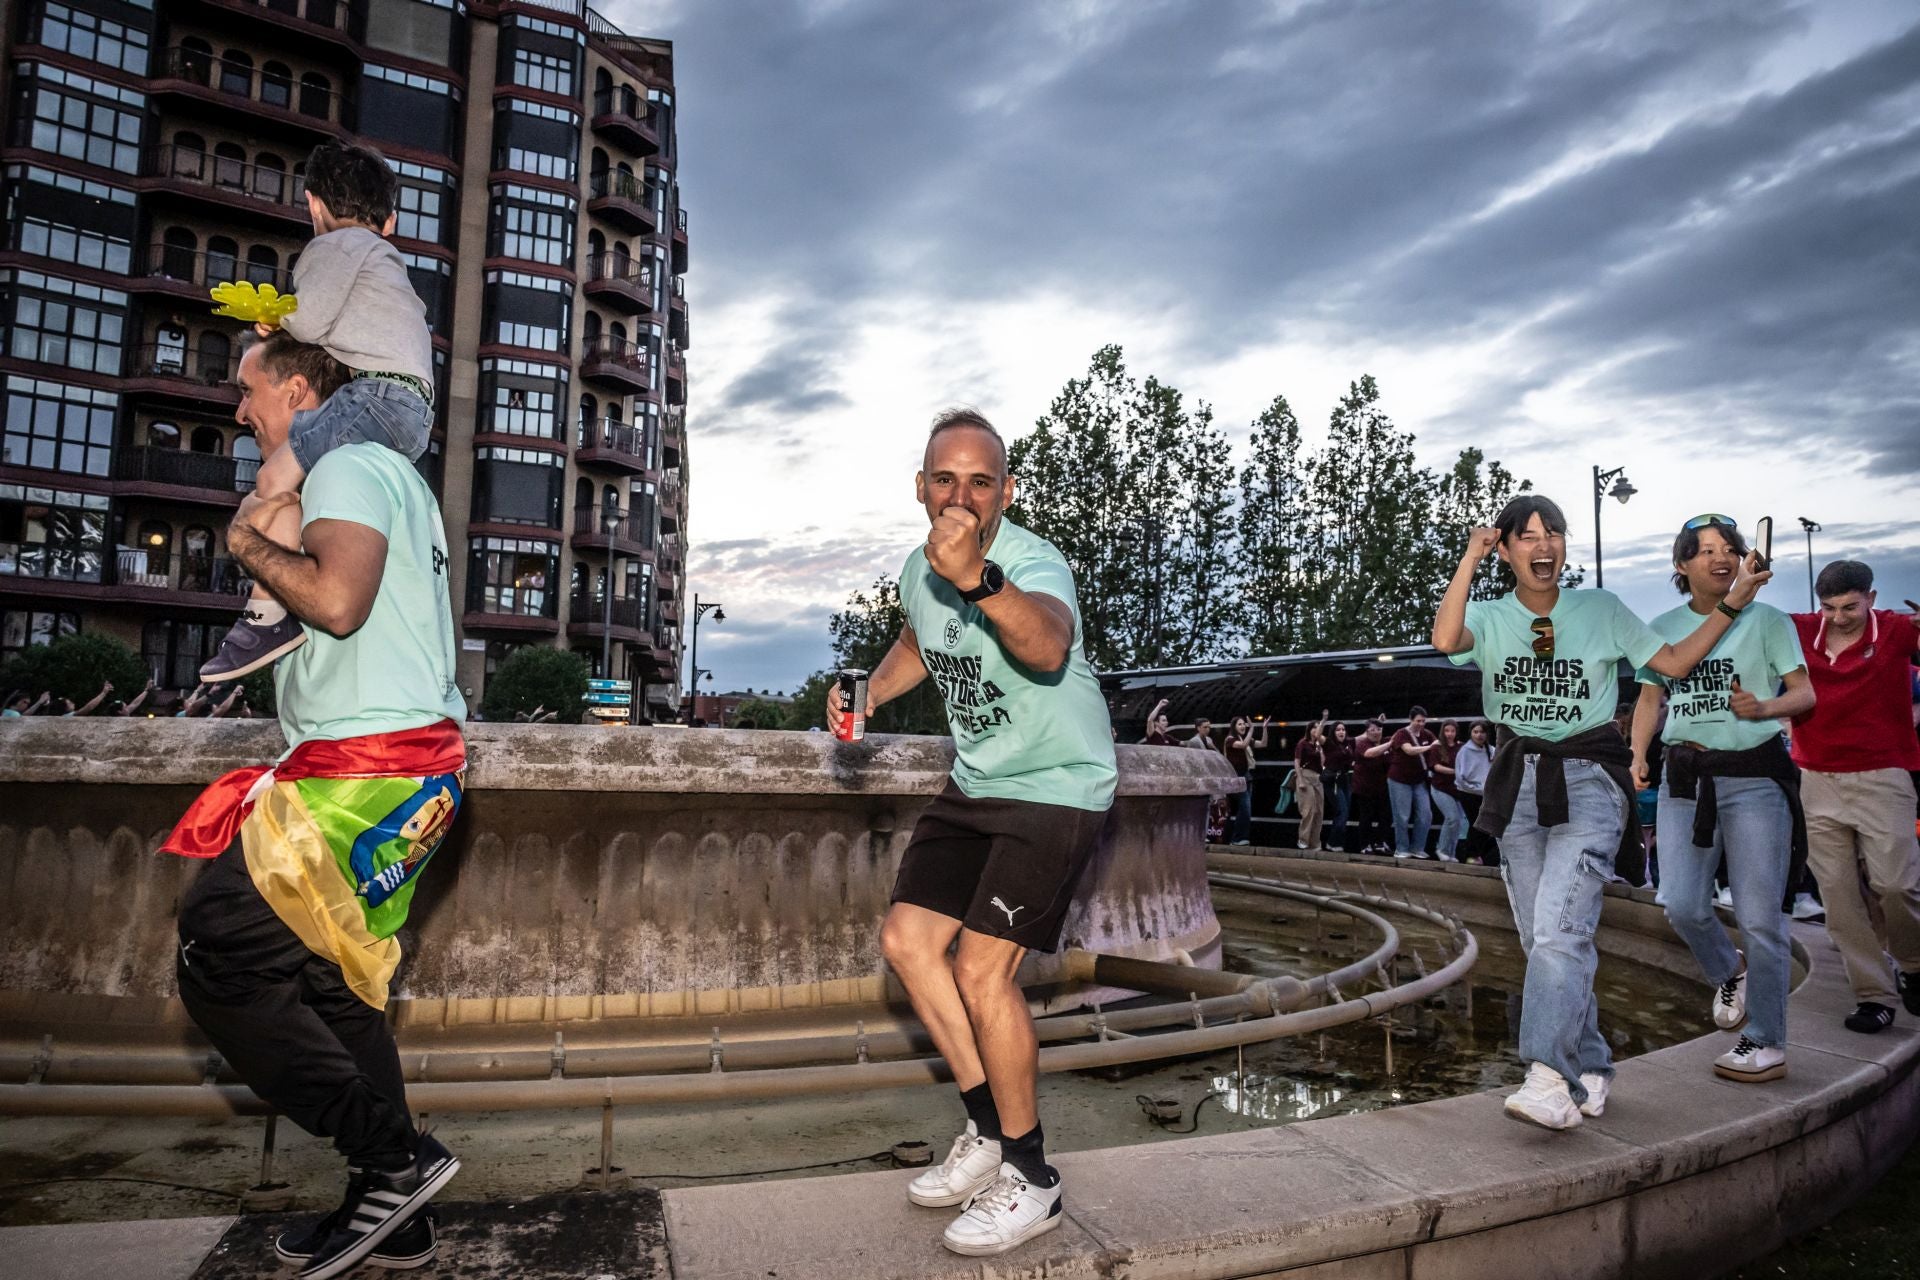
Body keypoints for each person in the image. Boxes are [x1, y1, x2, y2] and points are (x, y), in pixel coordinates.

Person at [164, 330, 467, 1279]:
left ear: (299, 389)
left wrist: (246, 538)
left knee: (220, 951)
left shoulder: (347, 464)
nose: (239, 409)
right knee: (335, 988)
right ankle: (398, 1216)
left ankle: (392, 1158)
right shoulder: (387, 477)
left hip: (366, 773)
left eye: (246, 390)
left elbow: (337, 602)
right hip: (398, 768)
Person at [828, 408, 1116, 1257]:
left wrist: (983, 578)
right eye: (944, 479)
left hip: (1058, 782)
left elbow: (1048, 645)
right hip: (979, 778)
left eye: (980, 481)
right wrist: (872, 692)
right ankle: (987, 1131)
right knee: (910, 942)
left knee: (983, 970)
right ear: (921, 489)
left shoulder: (1028, 561)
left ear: (1005, 492)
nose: (961, 496)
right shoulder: (920, 567)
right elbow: (917, 640)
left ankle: (1032, 1178)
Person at [1432, 494, 1768, 1131]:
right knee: (1543, 939)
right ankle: (1590, 1065)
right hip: (1518, 786)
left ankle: (1548, 1077)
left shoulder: (1602, 609)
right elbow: (1446, 638)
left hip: (1590, 780)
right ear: (1505, 550)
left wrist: (1732, 604)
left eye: (1553, 532)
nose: (1544, 545)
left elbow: (1671, 663)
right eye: (1526, 536)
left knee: (1559, 931)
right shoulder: (1491, 614)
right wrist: (1468, 560)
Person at [200, 142, 436, 682]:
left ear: (313, 205)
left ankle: (265, 618)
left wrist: (277, 319)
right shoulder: (386, 262)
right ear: (391, 219)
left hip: (375, 396)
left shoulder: (336, 246)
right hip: (411, 411)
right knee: (293, 491)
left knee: (270, 478)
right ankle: (270, 604)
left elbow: (310, 320)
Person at [1630, 516, 1813, 1083]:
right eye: (1705, 550)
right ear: (1682, 566)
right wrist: (1639, 756)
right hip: (1684, 778)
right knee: (1680, 902)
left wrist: (1765, 709)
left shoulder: (1769, 620)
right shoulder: (1661, 625)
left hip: (1754, 775)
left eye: (1729, 548)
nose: (1721, 557)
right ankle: (1727, 970)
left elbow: (1804, 694)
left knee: (1760, 917)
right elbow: (1649, 699)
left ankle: (1766, 1040)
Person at [1787, 560, 1920, 1034]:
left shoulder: (1900, 631)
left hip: (1884, 774)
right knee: (1839, 896)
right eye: (1828, 608)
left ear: (1872, 597)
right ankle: (1873, 995)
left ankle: (1912, 962)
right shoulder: (1801, 630)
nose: (1838, 618)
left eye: (1849, 607)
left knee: (1896, 885)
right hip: (1817, 778)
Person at [1386, 706, 1440, 859]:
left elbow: (1439, 745)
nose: (1421, 724)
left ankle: (1417, 847)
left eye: (1423, 721)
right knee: (1402, 815)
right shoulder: (1401, 734)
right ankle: (1401, 848)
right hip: (1399, 780)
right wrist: (1429, 747)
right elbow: (1408, 750)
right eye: (1418, 721)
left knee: (1425, 814)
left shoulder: (1427, 734)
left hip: (1418, 781)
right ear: (1411, 720)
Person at [1222, 715, 1270, 845]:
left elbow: (1263, 743)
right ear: (1234, 727)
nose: (1243, 726)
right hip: (1236, 777)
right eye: (1240, 724)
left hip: (1247, 776)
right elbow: (1243, 745)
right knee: (1245, 808)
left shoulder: (1245, 738)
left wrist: (1264, 728)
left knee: (1244, 809)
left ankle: (1240, 838)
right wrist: (1251, 729)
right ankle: (1237, 838)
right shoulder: (1230, 739)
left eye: (1244, 724)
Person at [1453, 721, 1496, 864]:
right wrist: (1476, 787)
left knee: (1485, 825)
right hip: (1468, 793)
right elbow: (1461, 777)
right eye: (1475, 732)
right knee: (1477, 823)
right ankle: (1470, 855)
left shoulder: (1490, 750)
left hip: (1485, 794)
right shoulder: (1465, 751)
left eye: (1482, 732)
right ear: (1471, 733)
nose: (1479, 735)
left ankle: (1475, 854)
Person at [1430, 720, 1469, 861]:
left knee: (1458, 821)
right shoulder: (1437, 747)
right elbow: (1436, 767)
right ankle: (1442, 849)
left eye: (1452, 731)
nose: (1450, 734)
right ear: (1442, 732)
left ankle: (1451, 853)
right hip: (1440, 788)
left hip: (1457, 790)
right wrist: (1455, 771)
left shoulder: (1462, 747)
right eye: (1447, 731)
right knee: (1451, 817)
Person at [1352, 720, 1393, 854]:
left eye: (1379, 729)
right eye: (1373, 730)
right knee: (1366, 816)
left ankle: (1381, 843)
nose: (1376, 732)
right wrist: (1389, 744)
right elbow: (1369, 753)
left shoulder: (1385, 742)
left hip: (1382, 786)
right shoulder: (1362, 743)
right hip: (1364, 787)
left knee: (1386, 816)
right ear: (1367, 731)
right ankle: (1365, 845)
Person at [1294, 713, 1330, 850]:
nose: (1316, 730)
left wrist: (1321, 750)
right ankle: (1303, 839)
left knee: (1319, 811)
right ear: (1309, 730)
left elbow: (1323, 763)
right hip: (1305, 775)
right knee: (1309, 809)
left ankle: (1315, 842)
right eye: (1314, 728)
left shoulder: (1319, 745)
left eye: (1318, 728)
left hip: (1317, 777)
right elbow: (1296, 762)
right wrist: (1301, 780)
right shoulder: (1302, 744)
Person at [1324, 720, 1355, 850]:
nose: (1341, 732)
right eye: (1338, 730)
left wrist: (1378, 722)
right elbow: (1319, 736)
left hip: (1345, 779)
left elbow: (1363, 736)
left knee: (1345, 812)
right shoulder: (1330, 744)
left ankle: (1334, 843)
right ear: (1333, 732)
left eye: (1343, 729)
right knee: (1341, 811)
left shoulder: (1348, 744)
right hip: (1333, 780)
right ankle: (1334, 842)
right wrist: (1323, 721)